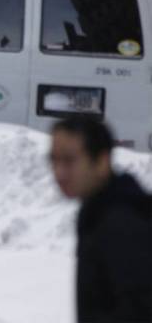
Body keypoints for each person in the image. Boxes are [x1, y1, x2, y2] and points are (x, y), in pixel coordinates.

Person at [50, 116, 152, 322]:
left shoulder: (123, 221)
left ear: (102, 161)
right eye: (53, 159)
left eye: (69, 160)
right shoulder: (99, 209)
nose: (59, 172)